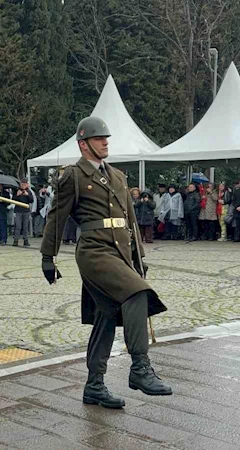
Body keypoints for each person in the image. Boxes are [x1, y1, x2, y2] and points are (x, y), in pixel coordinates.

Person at [41, 116, 170, 410]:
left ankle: (94, 386)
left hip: (120, 252)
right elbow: (56, 218)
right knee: (137, 294)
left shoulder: (118, 176)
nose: (105, 142)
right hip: (94, 252)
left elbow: (130, 221)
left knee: (106, 316)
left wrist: (139, 257)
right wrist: (48, 257)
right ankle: (140, 368)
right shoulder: (72, 176)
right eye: (99, 139)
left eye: (106, 138)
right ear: (83, 144)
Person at [13, 178, 33, 247]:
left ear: (27, 185)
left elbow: (31, 200)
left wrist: (27, 195)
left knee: (25, 227)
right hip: (18, 210)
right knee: (18, 226)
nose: (23, 186)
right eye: (22, 184)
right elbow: (13, 200)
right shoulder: (16, 190)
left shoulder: (29, 191)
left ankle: (26, 240)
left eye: (25, 184)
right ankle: (16, 240)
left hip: (26, 211)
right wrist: (17, 195)